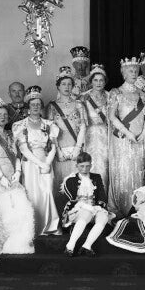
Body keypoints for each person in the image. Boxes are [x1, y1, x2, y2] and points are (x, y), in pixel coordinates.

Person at [0, 100, 35, 256]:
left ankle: (16, 245)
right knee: (0, 212)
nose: (3, 117)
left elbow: (17, 155)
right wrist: (1, 177)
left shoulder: (10, 134)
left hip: (12, 175)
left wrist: (18, 171)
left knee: (17, 210)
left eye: (5, 114)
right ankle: (0, 248)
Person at [13, 86, 60, 235]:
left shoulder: (49, 125)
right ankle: (33, 227)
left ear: (41, 107)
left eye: (38, 104)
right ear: (28, 107)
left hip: (46, 162)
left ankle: (49, 225)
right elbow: (24, 149)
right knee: (32, 194)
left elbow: (53, 146)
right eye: (32, 104)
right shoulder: (20, 125)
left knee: (47, 192)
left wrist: (47, 163)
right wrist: (40, 164)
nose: (35, 107)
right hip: (30, 164)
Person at [108, 56, 145, 218]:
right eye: (130, 71)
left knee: (137, 170)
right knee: (123, 171)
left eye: (135, 70)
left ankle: (135, 207)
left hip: (139, 139)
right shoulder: (116, 93)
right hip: (122, 139)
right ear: (123, 73)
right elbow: (111, 117)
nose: (133, 73)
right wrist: (128, 133)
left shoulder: (142, 94)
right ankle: (119, 208)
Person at [58, 152, 113, 257]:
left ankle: (87, 246)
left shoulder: (96, 177)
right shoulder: (71, 180)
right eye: (81, 166)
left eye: (88, 166)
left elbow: (101, 195)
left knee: (103, 217)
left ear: (91, 165)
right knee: (87, 213)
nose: (85, 169)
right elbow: (72, 200)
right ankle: (70, 246)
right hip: (78, 210)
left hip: (94, 208)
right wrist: (87, 207)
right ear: (76, 166)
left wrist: (99, 206)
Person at [46, 66, 87, 195]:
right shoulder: (52, 106)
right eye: (63, 84)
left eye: (69, 84)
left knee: (77, 183)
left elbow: (83, 127)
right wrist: (58, 151)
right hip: (59, 151)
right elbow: (50, 130)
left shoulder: (79, 104)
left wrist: (77, 148)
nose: (67, 87)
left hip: (76, 148)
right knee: (61, 184)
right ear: (58, 86)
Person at [79, 64, 110, 193]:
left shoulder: (110, 96)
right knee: (90, 163)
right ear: (91, 81)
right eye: (95, 80)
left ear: (105, 81)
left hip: (106, 134)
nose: (98, 83)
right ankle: (89, 194)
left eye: (101, 80)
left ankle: (103, 195)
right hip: (89, 134)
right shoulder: (84, 97)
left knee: (104, 165)